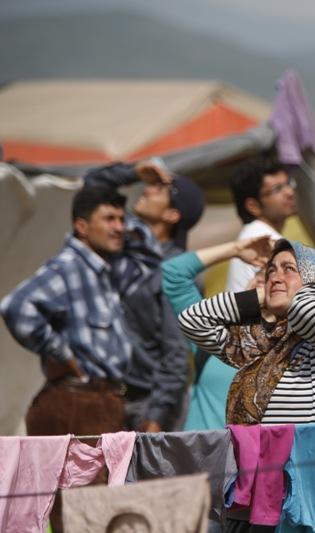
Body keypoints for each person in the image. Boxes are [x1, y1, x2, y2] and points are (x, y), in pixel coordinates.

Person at [0, 186, 160, 435]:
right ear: (82, 227)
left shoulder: (106, 269)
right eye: (109, 219)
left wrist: (132, 221)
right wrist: (63, 356)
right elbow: (15, 306)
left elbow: (150, 259)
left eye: (121, 219)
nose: (119, 227)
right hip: (78, 402)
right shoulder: (69, 267)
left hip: (103, 402)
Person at [179, 240, 315, 424]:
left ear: (314, 278)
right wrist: (261, 295)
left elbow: (309, 312)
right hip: (270, 457)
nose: (274, 278)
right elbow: (192, 320)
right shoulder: (261, 343)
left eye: (289, 269)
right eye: (271, 271)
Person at [83, 159, 206, 432]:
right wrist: (133, 172)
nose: (147, 190)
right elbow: (91, 187)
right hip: (107, 399)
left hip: (148, 407)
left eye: (159, 189)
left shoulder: (176, 272)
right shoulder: (122, 244)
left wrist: (156, 417)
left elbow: (175, 352)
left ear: (172, 216)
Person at [162, 236, 272, 430]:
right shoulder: (216, 334)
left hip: (251, 458)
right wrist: (235, 249)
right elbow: (172, 274)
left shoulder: (290, 348)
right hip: (196, 455)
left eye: (270, 281)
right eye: (258, 275)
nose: (259, 282)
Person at [227, 161, 297, 292]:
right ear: (253, 206)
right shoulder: (261, 241)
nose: (290, 192)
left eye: (288, 183)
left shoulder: (254, 234)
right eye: (277, 189)